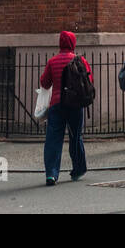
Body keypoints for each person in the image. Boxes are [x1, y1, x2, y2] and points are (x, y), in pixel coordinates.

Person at [38, 30, 92, 186]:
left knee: (53, 139)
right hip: (75, 104)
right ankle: (78, 169)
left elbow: (44, 83)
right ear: (73, 43)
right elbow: (89, 79)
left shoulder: (53, 61)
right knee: (76, 137)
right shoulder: (80, 60)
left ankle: (51, 174)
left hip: (56, 104)